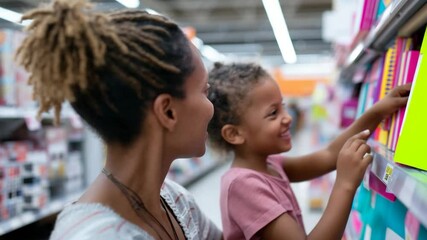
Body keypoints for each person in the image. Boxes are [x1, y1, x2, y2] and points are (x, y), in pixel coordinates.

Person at [15, 0, 222, 239]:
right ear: (167, 112)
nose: (212, 108)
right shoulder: (92, 236)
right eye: (204, 91)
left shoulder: (176, 200)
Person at [207, 62, 410, 240]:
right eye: (273, 113)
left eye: (283, 107)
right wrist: (345, 184)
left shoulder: (272, 164)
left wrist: (378, 111)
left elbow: (329, 155)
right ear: (234, 134)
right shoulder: (243, 185)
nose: (288, 118)